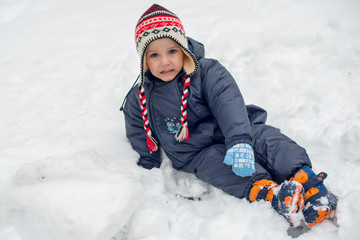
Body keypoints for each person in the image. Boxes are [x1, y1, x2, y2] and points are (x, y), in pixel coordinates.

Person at [121, 4, 338, 228]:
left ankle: (309, 184)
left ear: (184, 49)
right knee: (228, 169)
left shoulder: (206, 71)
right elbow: (138, 128)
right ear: (143, 60)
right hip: (197, 152)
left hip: (236, 129)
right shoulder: (140, 97)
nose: (164, 61)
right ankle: (274, 195)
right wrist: (148, 160)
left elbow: (228, 102)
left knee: (269, 141)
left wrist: (240, 139)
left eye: (172, 51)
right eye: (154, 55)